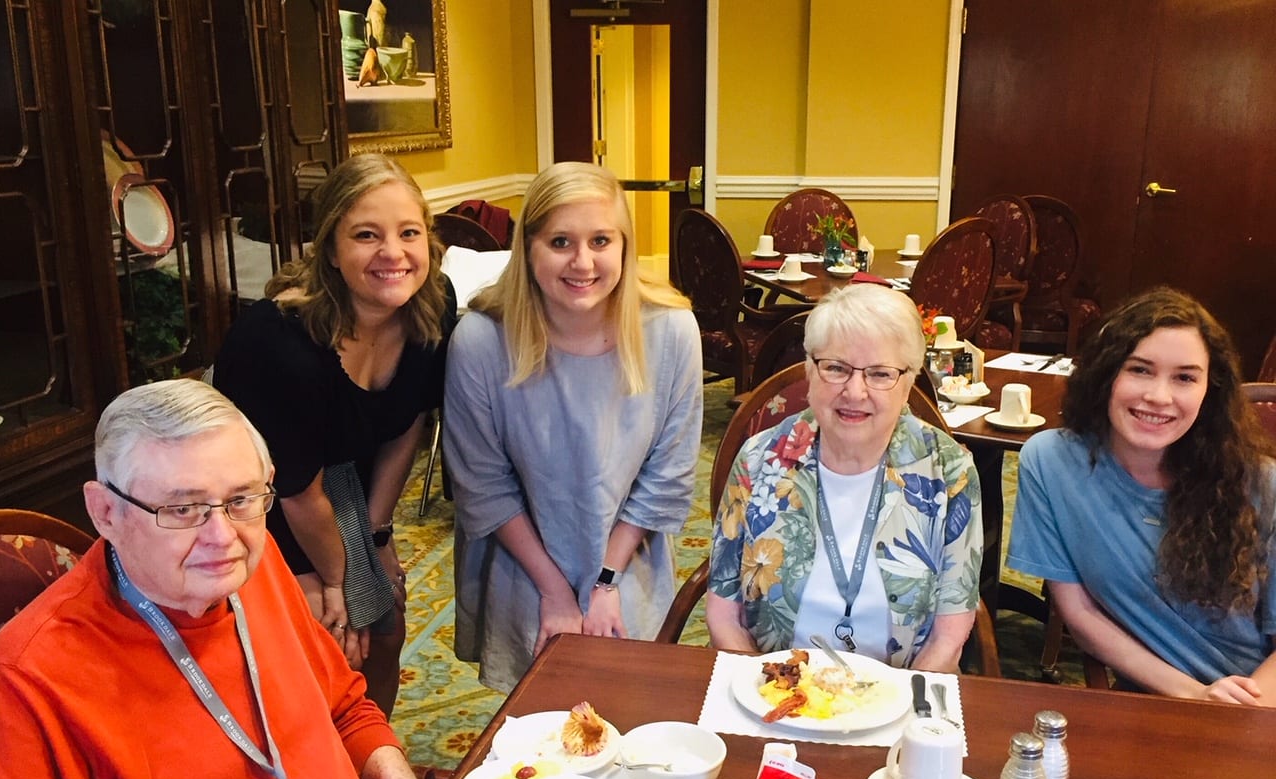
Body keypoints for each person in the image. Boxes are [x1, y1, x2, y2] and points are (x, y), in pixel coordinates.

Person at [0, 379, 431, 779]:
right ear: (105, 512)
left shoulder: (252, 566)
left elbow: (344, 710)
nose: (223, 539)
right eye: (183, 509)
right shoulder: (29, 679)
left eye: (241, 499)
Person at [444, 161, 703, 693]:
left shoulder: (672, 330)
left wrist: (604, 581)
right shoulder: (481, 341)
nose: (583, 262)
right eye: (561, 241)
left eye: (601, 240)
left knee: (630, 717)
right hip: (524, 566)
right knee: (541, 732)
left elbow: (667, 477)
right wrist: (555, 590)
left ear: (625, 247)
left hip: (625, 559)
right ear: (529, 248)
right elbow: (484, 487)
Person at [214, 153, 456, 718]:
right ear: (330, 249)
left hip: (342, 485)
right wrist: (335, 581)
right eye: (366, 235)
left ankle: (370, 766)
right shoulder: (278, 346)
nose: (393, 254)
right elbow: (297, 491)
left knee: (387, 624)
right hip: (255, 502)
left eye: (409, 232)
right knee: (325, 644)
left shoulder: (431, 307)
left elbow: (408, 422)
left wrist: (376, 536)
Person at [1007, 287, 1276, 704]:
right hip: (1158, 699)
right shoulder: (1051, 463)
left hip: (1257, 700)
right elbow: (1080, 615)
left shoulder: (1262, 485)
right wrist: (1196, 696)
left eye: (1185, 377)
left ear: (1210, 391)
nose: (1159, 397)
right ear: (1106, 373)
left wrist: (1246, 714)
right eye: (1140, 370)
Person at [706, 284, 982, 671]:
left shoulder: (948, 471)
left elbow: (949, 635)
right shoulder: (758, 460)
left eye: (880, 374)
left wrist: (893, 712)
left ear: (908, 382)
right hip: (771, 693)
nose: (855, 391)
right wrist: (769, 692)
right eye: (836, 368)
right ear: (809, 369)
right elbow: (722, 614)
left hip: (901, 701)